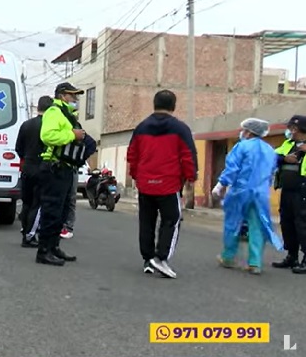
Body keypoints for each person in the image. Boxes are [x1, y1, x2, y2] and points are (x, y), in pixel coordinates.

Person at [126, 89, 197, 278]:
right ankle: (161, 258)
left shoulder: (141, 127)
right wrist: (191, 177)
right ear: (173, 106)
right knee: (172, 220)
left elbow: (132, 154)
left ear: (154, 104)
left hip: (145, 184)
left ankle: (148, 260)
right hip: (169, 184)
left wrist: (136, 176)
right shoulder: (181, 129)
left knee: (146, 221)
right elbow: (188, 155)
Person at [211, 118, 283, 275]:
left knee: (233, 224)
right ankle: (255, 263)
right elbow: (271, 173)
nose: (241, 132)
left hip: (240, 192)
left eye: (243, 130)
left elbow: (232, 169)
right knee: (257, 227)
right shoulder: (270, 150)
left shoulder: (241, 146)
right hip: (261, 194)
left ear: (249, 131)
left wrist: (221, 185)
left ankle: (229, 257)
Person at [36, 82, 91, 266]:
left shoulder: (68, 115)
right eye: (72, 95)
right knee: (51, 210)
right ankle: (44, 251)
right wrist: (72, 135)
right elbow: (47, 135)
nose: (75, 99)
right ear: (62, 95)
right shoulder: (54, 112)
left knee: (62, 211)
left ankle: (54, 247)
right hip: (54, 167)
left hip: (66, 168)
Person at [15, 96, 53, 248]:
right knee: (37, 204)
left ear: (38, 107)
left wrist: (26, 157)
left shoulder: (26, 125)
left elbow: (18, 147)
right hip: (42, 167)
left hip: (27, 166)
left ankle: (25, 231)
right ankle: (30, 236)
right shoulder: (49, 126)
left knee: (26, 202)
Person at [272, 115, 306, 274]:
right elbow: (272, 155)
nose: (289, 131)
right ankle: (292, 256)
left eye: (291, 128)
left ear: (297, 129)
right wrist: (284, 158)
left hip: (303, 191)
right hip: (287, 190)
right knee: (287, 223)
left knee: (303, 225)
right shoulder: (288, 144)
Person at [61, 103, 81, 240]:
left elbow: (89, 144)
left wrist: (79, 158)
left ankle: (68, 226)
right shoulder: (58, 122)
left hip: (71, 168)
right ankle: (62, 226)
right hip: (60, 166)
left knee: (70, 198)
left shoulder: (77, 128)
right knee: (63, 199)